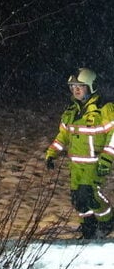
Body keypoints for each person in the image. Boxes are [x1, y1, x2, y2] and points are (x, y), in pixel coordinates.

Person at [45, 68, 114, 239]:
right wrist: (51, 153)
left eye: (80, 86)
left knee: (90, 196)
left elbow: (113, 135)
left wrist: (106, 159)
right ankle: (88, 228)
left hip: (94, 163)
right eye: (73, 86)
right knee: (78, 199)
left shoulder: (103, 109)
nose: (76, 90)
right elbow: (63, 135)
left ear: (91, 87)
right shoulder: (71, 112)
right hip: (75, 165)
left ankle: (108, 221)